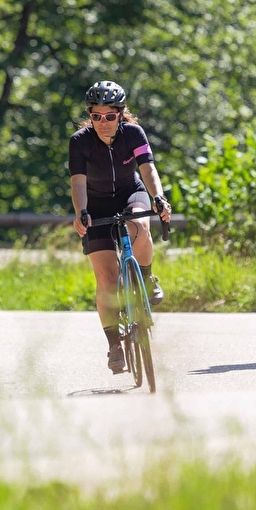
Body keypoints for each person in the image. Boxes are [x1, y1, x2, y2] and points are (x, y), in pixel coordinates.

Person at [69, 81, 172, 374]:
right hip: (96, 203)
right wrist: (82, 212)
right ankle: (115, 345)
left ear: (121, 114)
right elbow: (77, 181)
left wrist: (158, 197)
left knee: (139, 224)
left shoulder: (134, 134)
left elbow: (148, 168)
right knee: (106, 277)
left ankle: (148, 277)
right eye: (96, 116)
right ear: (90, 116)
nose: (103, 122)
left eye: (110, 116)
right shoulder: (80, 141)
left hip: (130, 193)